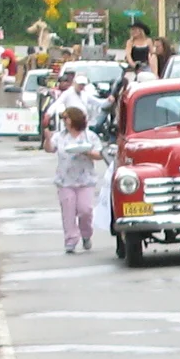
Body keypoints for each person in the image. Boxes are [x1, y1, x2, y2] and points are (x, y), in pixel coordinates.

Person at [51, 104, 104, 251]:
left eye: (66, 118)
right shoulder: (60, 136)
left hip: (85, 180)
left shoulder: (89, 136)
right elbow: (50, 148)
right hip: (65, 180)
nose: (64, 121)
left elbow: (100, 154)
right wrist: (47, 137)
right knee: (68, 211)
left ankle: (86, 234)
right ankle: (70, 240)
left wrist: (87, 153)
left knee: (85, 209)